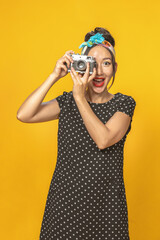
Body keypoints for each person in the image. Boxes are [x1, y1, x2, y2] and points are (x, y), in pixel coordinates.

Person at [17, 27, 136, 239]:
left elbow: (104, 139)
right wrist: (54, 76)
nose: (99, 72)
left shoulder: (124, 104)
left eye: (106, 64)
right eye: (92, 64)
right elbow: (24, 115)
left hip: (106, 209)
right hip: (64, 207)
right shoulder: (68, 102)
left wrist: (80, 97)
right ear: (81, 65)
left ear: (115, 67)